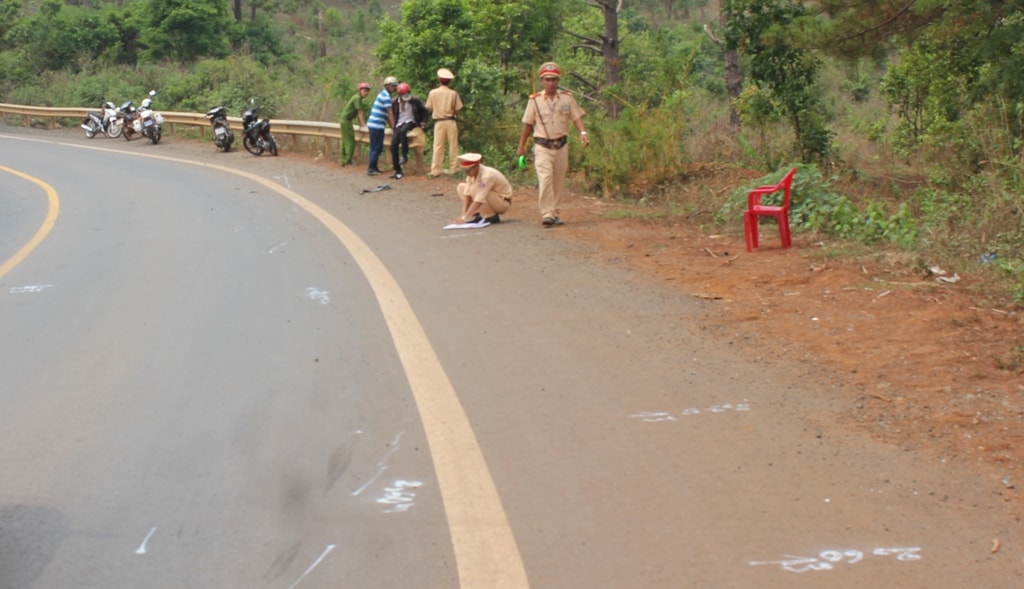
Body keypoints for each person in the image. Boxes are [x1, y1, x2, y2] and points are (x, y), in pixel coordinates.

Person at [516, 61, 590, 226]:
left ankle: (555, 211)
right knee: (545, 179)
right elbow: (527, 124)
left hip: (561, 145)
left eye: (554, 79)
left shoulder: (566, 98)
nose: (551, 83)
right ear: (542, 81)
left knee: (558, 180)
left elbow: (576, 116)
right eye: (547, 79)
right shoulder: (535, 100)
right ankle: (547, 213)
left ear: (558, 80)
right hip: (542, 146)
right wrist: (522, 145)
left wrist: (583, 133)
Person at [450, 153, 512, 225]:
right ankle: (481, 213)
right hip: (490, 197)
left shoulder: (487, 175)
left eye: (468, 170)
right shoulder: (471, 175)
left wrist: (464, 218)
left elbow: (479, 199)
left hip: (502, 202)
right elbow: (467, 194)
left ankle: (490, 216)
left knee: (476, 189)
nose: (467, 173)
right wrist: (463, 215)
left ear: (475, 166)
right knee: (461, 187)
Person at [425, 68, 464, 177]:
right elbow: (458, 108)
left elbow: (428, 107)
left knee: (438, 146)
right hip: (451, 121)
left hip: (439, 122)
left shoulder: (433, 93)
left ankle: (436, 170)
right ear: (449, 81)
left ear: (439, 80)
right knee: (453, 145)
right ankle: (454, 168)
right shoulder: (453, 94)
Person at [389, 82, 428, 179]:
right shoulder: (394, 102)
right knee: (393, 145)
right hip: (399, 123)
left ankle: (405, 155)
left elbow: (425, 110)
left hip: (411, 121)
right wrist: (393, 124)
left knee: (403, 131)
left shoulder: (415, 100)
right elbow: (392, 114)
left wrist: (423, 121)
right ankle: (397, 170)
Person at [367, 76, 398, 176]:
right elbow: (390, 113)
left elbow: (386, 115)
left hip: (374, 124)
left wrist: (392, 125)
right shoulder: (386, 97)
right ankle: (371, 169)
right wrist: (394, 126)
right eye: (393, 86)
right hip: (377, 125)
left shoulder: (383, 95)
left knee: (374, 147)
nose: (394, 88)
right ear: (388, 86)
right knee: (377, 147)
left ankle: (374, 167)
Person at [339, 82, 370, 166]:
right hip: (346, 121)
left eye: (367, 91)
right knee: (351, 142)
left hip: (344, 120)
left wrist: (360, 123)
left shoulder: (355, 97)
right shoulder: (357, 98)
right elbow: (360, 111)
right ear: (360, 90)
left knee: (346, 141)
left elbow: (356, 112)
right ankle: (347, 161)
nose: (366, 93)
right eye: (364, 90)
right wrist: (364, 125)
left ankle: (344, 160)